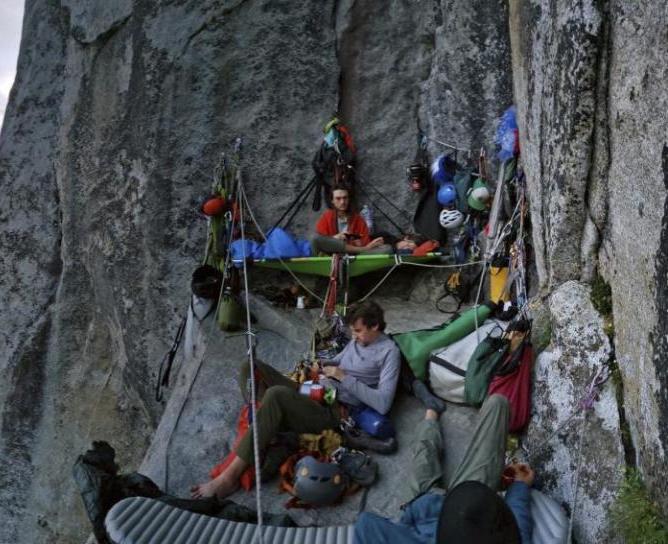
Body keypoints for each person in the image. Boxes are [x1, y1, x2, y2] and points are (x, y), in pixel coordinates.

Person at [189, 301, 400, 499]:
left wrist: (344, 376)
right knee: (251, 367)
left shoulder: (389, 353)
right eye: (352, 331)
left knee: (276, 395)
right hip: (315, 392)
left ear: (375, 326)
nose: (353, 337)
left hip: (334, 411)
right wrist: (321, 363)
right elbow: (340, 359)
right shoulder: (357, 340)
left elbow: (383, 403)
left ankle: (229, 477)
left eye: (358, 331)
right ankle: (267, 425)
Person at [353, 394, 535, 543]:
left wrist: (408, 521)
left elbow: (365, 524)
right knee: (498, 404)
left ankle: (431, 415)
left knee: (424, 455)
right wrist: (519, 486)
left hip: (420, 508)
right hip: (469, 509)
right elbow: (517, 530)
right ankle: (431, 413)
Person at [310, 185, 390, 255]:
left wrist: (362, 243)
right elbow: (321, 241)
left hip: (353, 256)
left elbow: (365, 242)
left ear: (349, 199)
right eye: (338, 199)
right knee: (314, 238)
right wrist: (335, 238)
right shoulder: (326, 217)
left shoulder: (358, 219)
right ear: (332, 201)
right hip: (329, 256)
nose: (342, 202)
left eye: (345, 198)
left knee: (387, 249)